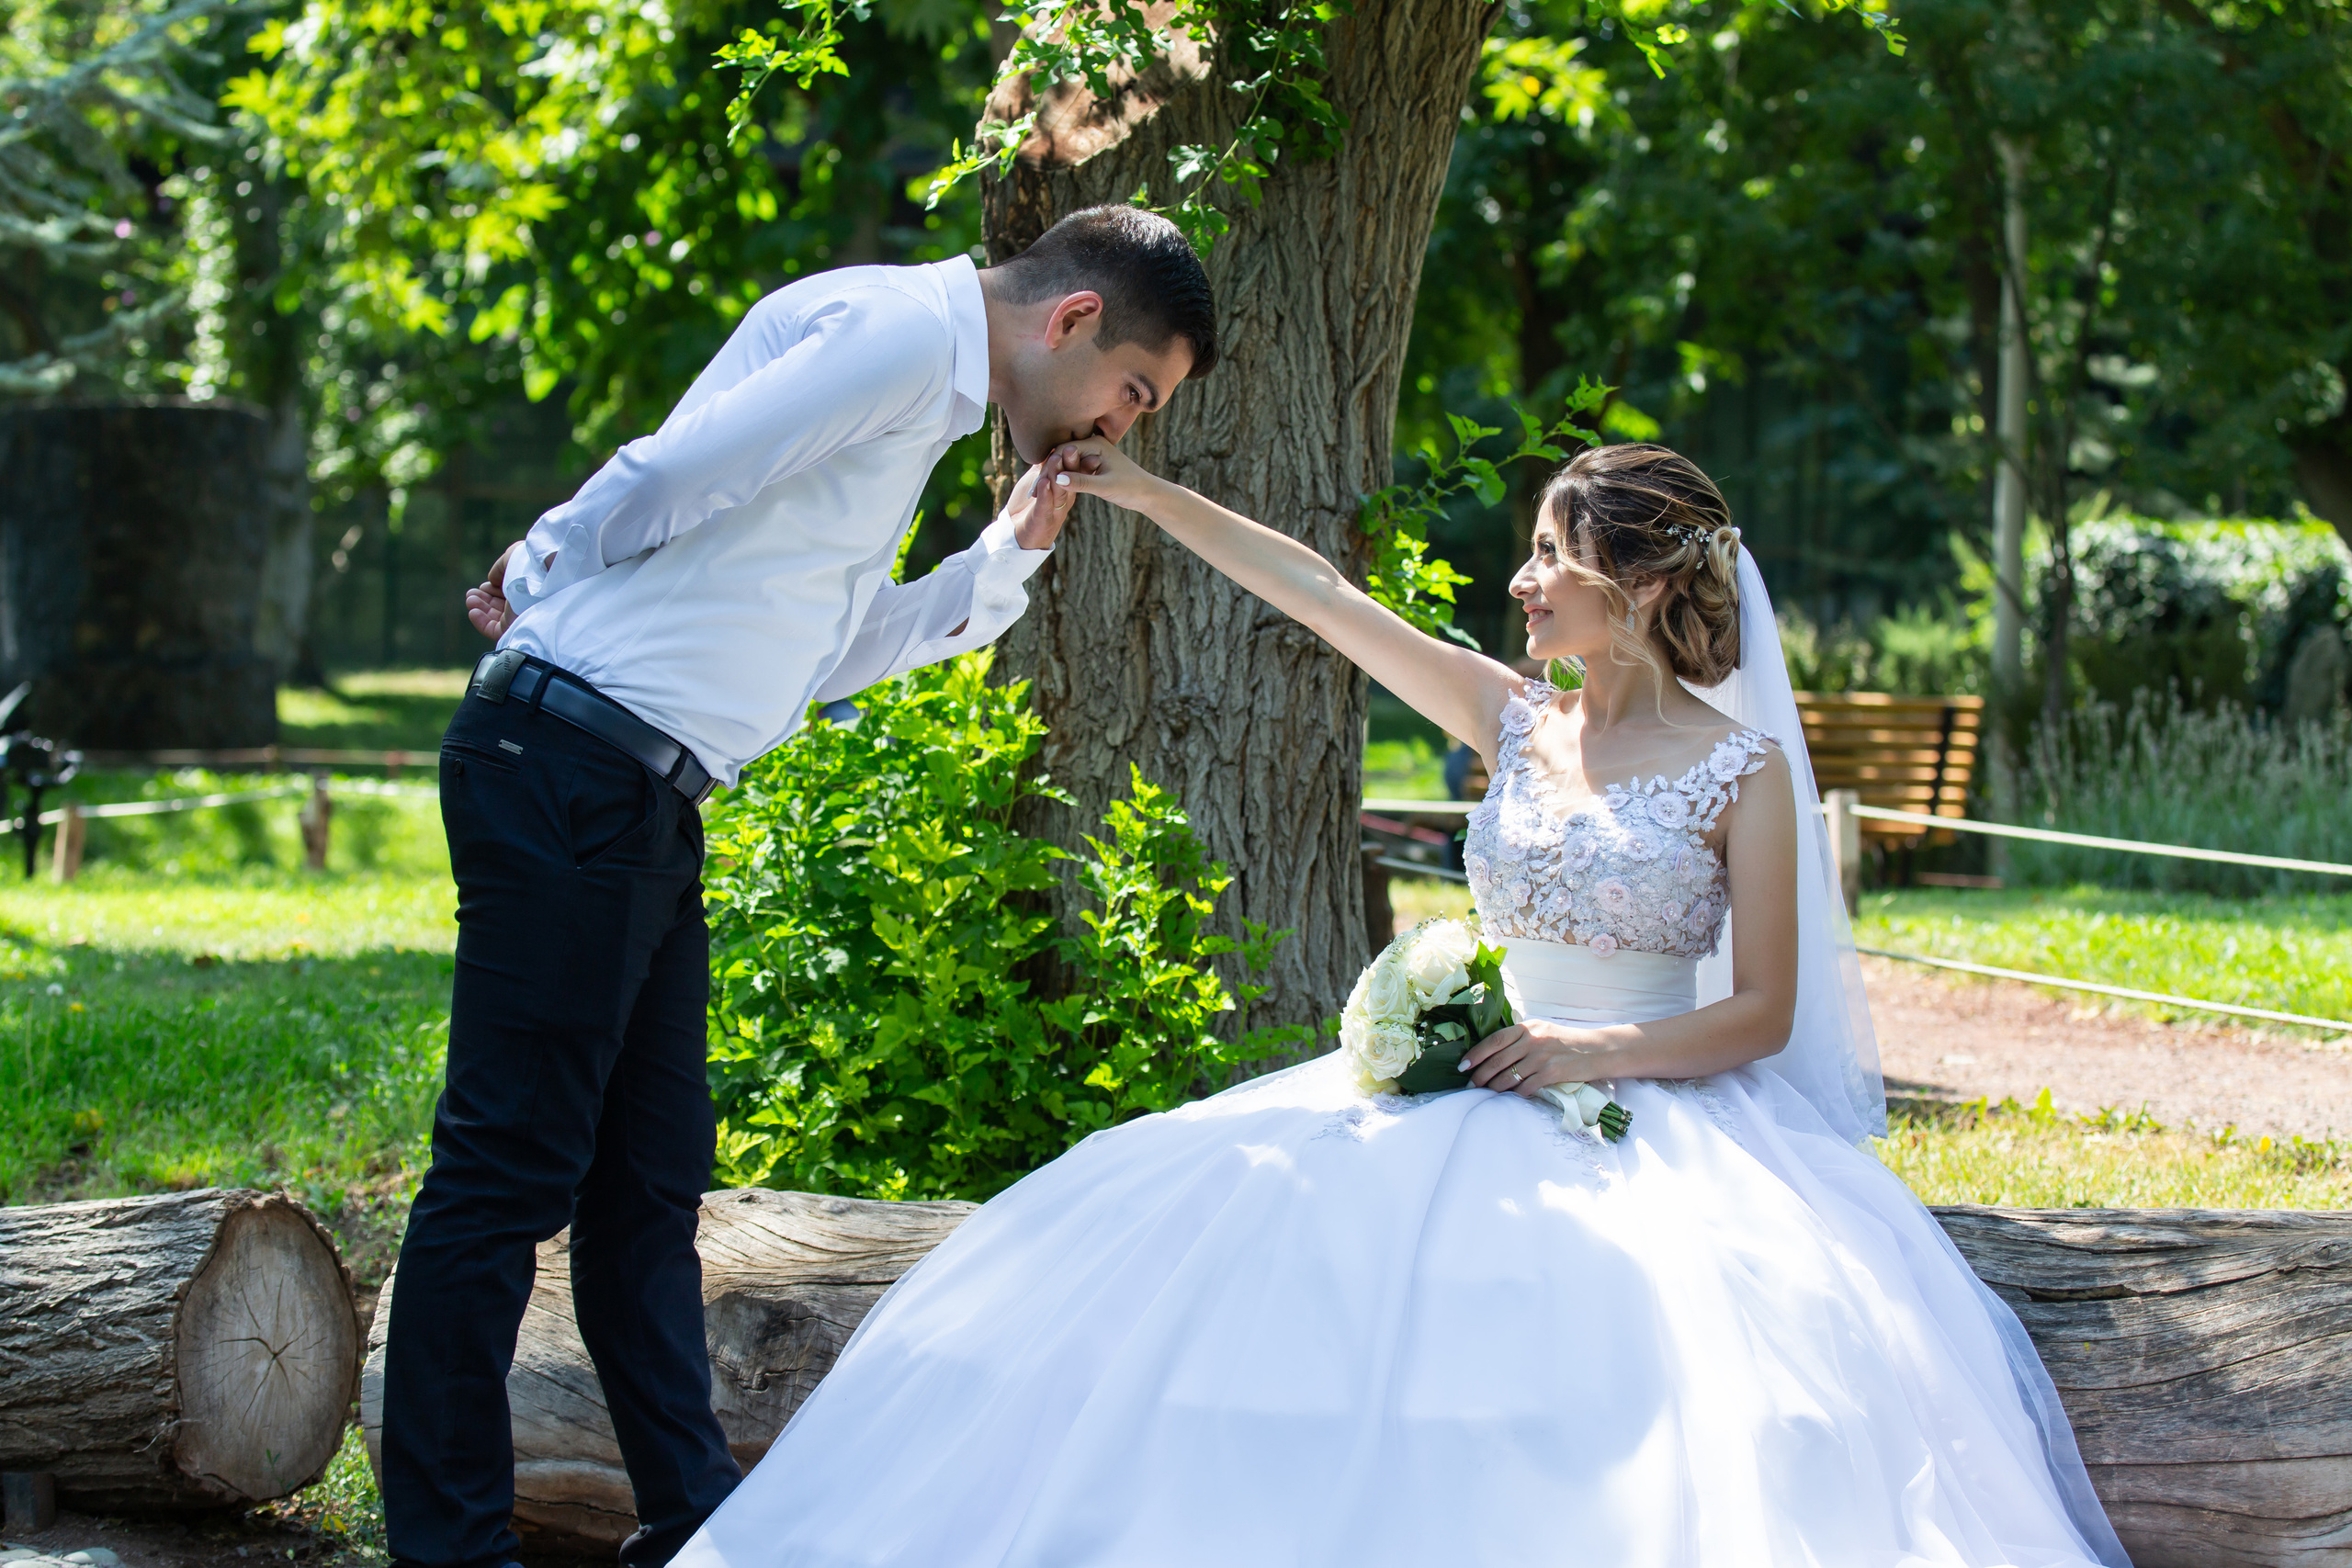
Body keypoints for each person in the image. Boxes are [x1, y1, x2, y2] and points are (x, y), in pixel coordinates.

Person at [668, 440, 2133, 1567]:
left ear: (1643, 583)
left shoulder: (1740, 778)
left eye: (1552, 557)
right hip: (1456, 1094)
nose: (1522, 581)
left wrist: (1582, 1046)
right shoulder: (1509, 717)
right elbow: (1320, 595)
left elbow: (1757, 1015)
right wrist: (1152, 494)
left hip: (1662, 1108)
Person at [383, 205, 1218, 1568]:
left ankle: (695, 1526)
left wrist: (1000, 564)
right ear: (1072, 320)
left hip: (640, 793)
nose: (1118, 426)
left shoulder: (930, 397)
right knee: (504, 1172)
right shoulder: (898, 336)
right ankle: (451, 1548)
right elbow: (677, 471)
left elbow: (817, 653)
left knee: (650, 1182)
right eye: (1133, 392)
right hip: (570, 761)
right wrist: (543, 559)